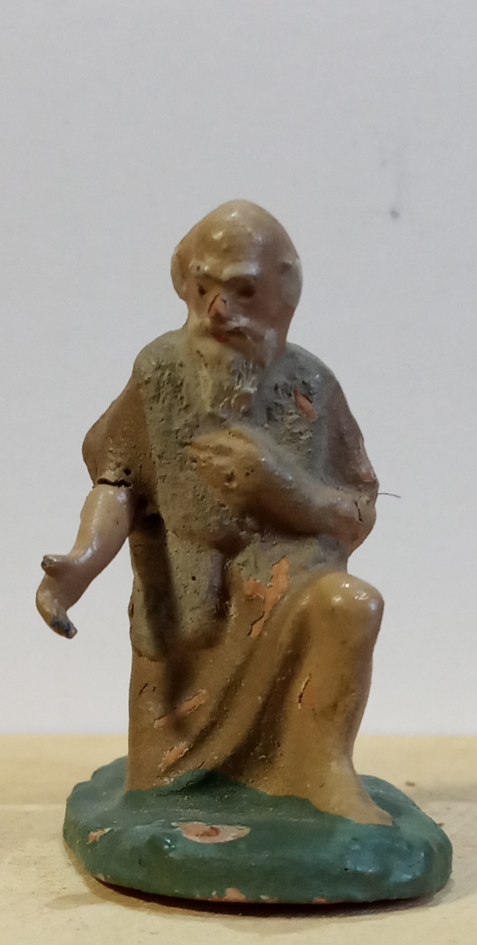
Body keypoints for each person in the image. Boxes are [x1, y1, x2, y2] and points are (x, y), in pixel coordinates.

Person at [36, 201, 391, 826]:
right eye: (203, 288)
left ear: (283, 292)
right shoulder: (159, 373)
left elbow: (356, 512)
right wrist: (81, 563)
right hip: (186, 611)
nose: (219, 310)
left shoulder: (312, 385)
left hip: (288, 593)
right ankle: (180, 790)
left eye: (243, 290)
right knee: (162, 790)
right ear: (183, 282)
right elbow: (119, 480)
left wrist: (284, 489)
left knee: (352, 605)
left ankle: (321, 770)